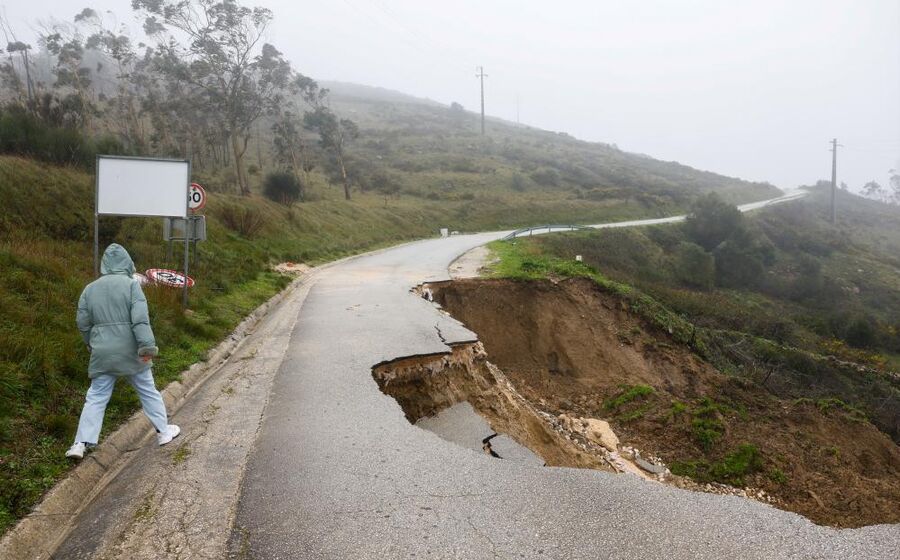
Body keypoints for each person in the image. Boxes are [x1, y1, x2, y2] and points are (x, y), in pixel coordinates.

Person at [66, 244, 180, 459]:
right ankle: (164, 432)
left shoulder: (90, 289)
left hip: (102, 352)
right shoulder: (131, 286)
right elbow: (140, 320)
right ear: (128, 263)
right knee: (147, 390)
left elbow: (82, 322)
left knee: (96, 396)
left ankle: (79, 444)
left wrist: (92, 342)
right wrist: (147, 347)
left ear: (105, 264)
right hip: (131, 352)